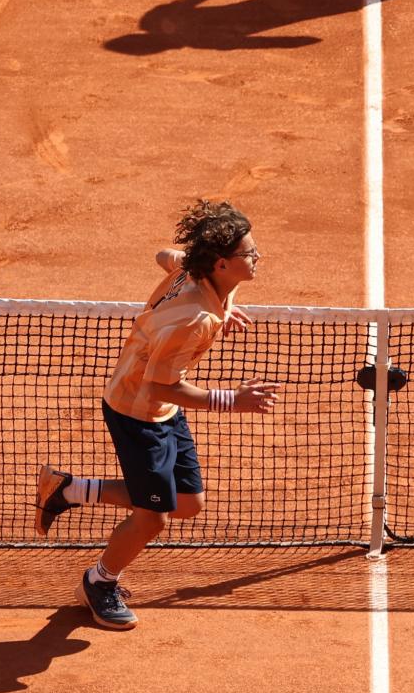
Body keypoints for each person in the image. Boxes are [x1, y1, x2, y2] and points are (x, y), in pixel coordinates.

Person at [32, 200, 279, 629]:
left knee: (187, 502)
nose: (257, 258)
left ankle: (68, 490)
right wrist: (231, 401)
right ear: (221, 263)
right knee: (153, 516)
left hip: (159, 411)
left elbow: (165, 256)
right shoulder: (195, 320)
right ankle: (99, 582)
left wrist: (224, 305)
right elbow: (160, 384)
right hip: (138, 411)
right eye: (249, 254)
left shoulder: (198, 271)